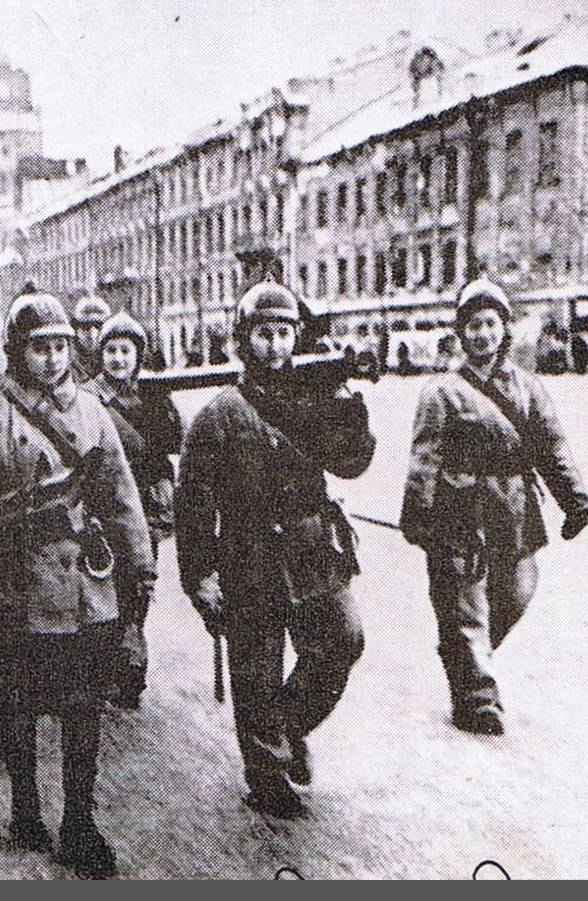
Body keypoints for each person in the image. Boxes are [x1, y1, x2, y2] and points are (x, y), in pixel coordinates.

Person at [0, 292, 153, 878]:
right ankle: (26, 810)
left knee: (84, 709)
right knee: (19, 706)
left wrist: (141, 567)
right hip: (16, 588)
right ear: (15, 351)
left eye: (61, 347)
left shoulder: (90, 411)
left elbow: (120, 493)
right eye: (39, 348)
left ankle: (79, 821)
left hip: (84, 584)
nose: (53, 359)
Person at [175, 281, 374, 819]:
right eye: (264, 334)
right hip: (248, 555)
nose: (277, 346)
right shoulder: (217, 418)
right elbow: (193, 506)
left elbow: (351, 463)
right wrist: (199, 576)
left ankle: (285, 729)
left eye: (286, 333)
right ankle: (266, 775)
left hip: (312, 549)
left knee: (342, 641)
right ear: (243, 341)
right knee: (257, 670)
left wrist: (350, 410)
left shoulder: (313, 400)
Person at [400, 278, 588, 737]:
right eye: (472, 326)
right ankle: (477, 699)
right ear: (460, 334)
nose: (482, 334)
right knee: (466, 606)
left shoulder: (527, 388)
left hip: (514, 509)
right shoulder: (442, 391)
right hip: (460, 512)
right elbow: (424, 457)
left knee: (519, 590)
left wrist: (575, 500)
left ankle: (465, 656)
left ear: (504, 329)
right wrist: (419, 516)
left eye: (490, 324)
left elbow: (551, 446)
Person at [88, 310, 183, 709]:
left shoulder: (152, 395)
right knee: (104, 586)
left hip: (145, 509)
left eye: (125, 351)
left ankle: (130, 662)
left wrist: (163, 407)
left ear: (138, 356)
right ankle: (111, 665)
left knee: (139, 586)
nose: (118, 359)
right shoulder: (89, 399)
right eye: (110, 350)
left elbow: (173, 445)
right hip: (105, 508)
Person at [70, 294, 110, 383]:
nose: (92, 334)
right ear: (75, 330)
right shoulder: (65, 366)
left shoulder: (116, 362)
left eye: (98, 327)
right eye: (85, 327)